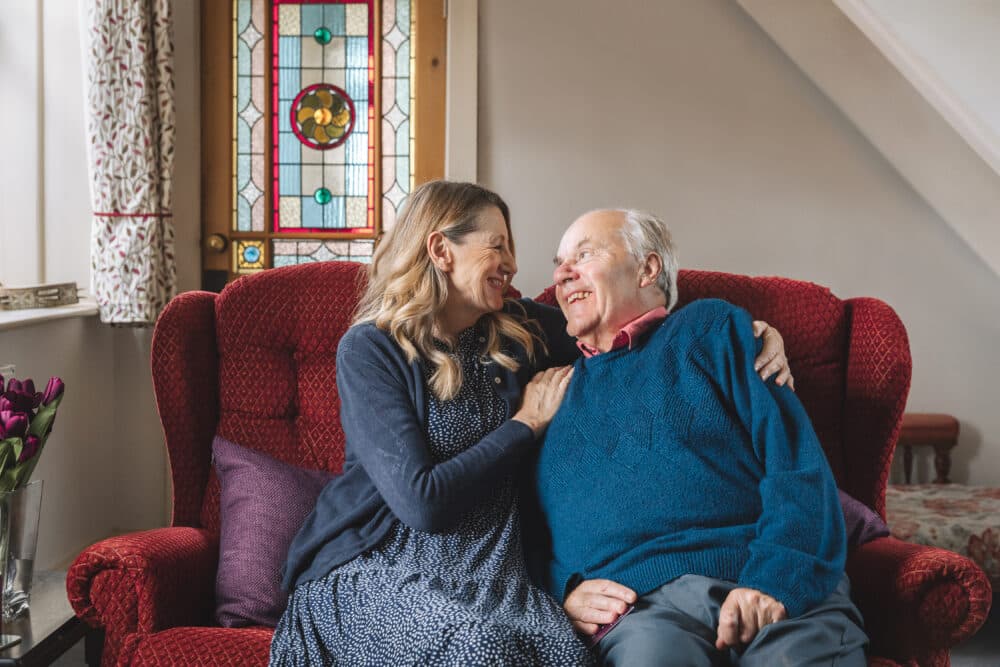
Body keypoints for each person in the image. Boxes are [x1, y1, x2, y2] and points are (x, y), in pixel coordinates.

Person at [270, 182, 791, 666]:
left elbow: (634, 328)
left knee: (567, 654)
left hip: (493, 569)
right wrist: (525, 424)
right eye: (496, 246)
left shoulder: (520, 330)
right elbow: (422, 503)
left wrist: (748, 334)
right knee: (478, 644)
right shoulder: (372, 349)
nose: (513, 264)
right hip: (381, 564)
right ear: (441, 250)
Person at [524, 208, 868, 666]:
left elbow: (797, 466)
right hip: (641, 612)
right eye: (559, 263)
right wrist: (563, 590)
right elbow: (523, 531)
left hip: (761, 574)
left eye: (584, 255)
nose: (561, 274)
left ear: (648, 268)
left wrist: (775, 581)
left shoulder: (711, 330)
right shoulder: (548, 394)